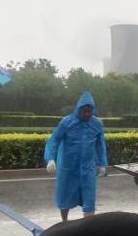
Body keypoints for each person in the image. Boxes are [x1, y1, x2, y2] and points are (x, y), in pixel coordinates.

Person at [44, 91, 107, 222]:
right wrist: (50, 158)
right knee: (65, 196)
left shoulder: (97, 124)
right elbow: (54, 140)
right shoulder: (66, 122)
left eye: (90, 111)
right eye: (85, 111)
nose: (87, 114)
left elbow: (100, 145)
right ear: (79, 109)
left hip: (88, 167)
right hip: (68, 167)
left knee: (89, 198)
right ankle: (64, 222)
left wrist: (102, 164)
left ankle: (88, 226)